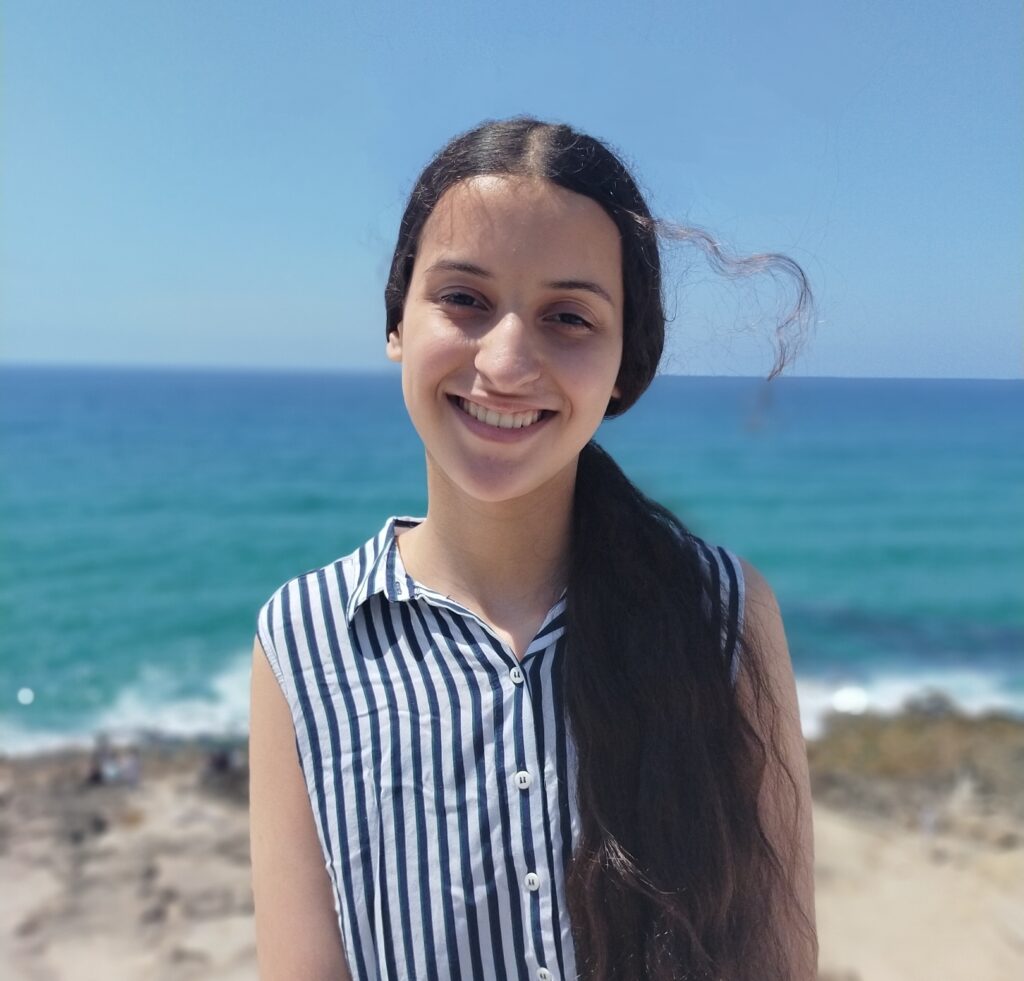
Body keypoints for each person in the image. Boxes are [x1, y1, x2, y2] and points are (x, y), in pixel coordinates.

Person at [249, 116, 817, 981]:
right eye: (465, 300)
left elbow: (780, 964)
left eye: (568, 317)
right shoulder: (303, 638)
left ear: (628, 362)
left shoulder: (721, 615)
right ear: (396, 319)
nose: (507, 362)